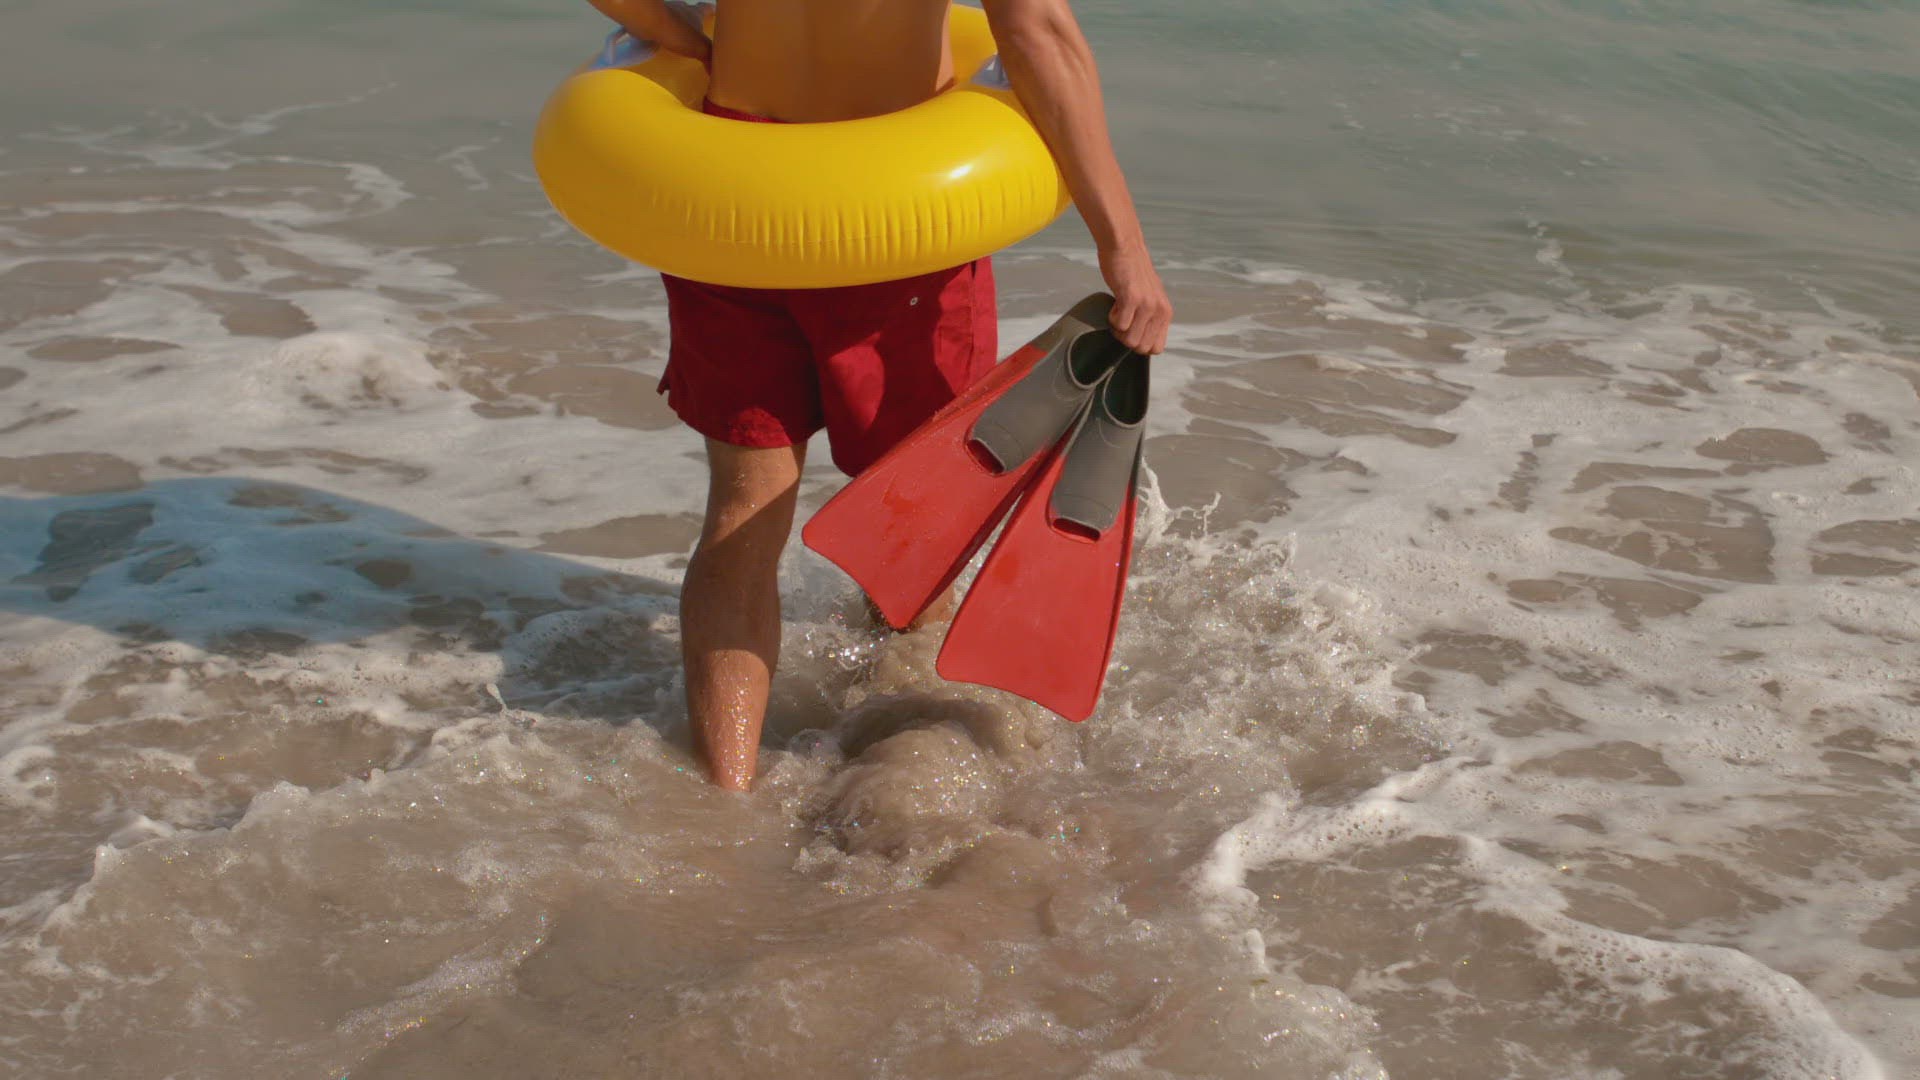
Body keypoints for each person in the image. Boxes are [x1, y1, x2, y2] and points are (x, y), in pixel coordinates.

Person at [586, 0, 1172, 790]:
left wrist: (686, 38)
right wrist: (1124, 249)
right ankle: (894, 770)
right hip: (895, 206)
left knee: (744, 511)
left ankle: (724, 797)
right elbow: (1036, 30)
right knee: (912, 512)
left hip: (734, 190)